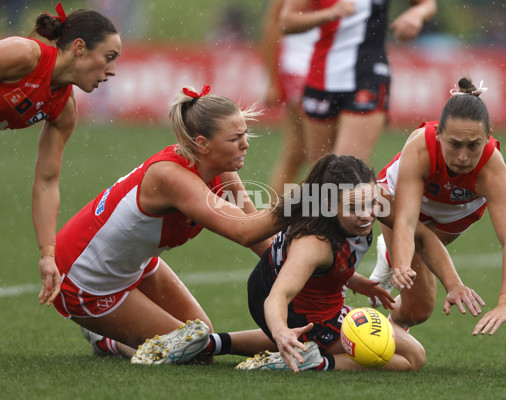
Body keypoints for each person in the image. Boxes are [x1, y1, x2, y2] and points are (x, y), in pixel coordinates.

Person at [53, 86, 284, 364]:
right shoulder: (172, 177)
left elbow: (259, 234)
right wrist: (312, 199)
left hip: (136, 263)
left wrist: (311, 279)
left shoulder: (222, 168)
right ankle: (106, 340)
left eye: (245, 134)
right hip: (85, 279)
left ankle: (116, 338)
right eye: (235, 138)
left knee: (202, 339)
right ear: (202, 144)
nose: (246, 144)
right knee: (195, 350)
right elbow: (244, 232)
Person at [231, 154, 484, 372]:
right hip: (295, 310)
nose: (366, 215)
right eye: (354, 207)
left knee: (404, 350)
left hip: (291, 288)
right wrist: (280, 331)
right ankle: (314, 361)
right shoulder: (314, 243)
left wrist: (454, 284)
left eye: (372, 203)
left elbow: (421, 235)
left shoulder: (361, 200)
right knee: (412, 358)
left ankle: (217, 343)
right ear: (329, 204)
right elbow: (278, 295)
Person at [370, 77, 506, 336]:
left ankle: (386, 324)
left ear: (487, 137)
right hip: (399, 202)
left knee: (417, 311)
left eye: (473, 145)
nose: (463, 157)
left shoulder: (492, 169)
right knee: (410, 245)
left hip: (453, 217)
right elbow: (408, 222)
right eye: (454, 144)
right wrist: (402, 264)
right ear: (439, 134)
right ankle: (388, 258)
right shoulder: (420, 147)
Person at [0, 2, 121, 307]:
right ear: (79, 48)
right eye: (108, 58)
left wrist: (47, 254)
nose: (112, 71)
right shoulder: (24, 55)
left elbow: (46, 182)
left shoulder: (63, 110)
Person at [279, 0, 437, 164]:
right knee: (322, 177)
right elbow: (286, 22)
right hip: (321, 77)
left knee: (347, 170)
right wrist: (330, 14)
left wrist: (416, 14)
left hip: (369, 76)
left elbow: (427, 4)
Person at [261, 0, 319, 195]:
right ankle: (317, 215)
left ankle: (273, 215)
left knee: (297, 151)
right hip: (301, 68)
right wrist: (272, 80)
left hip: (319, 67)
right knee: (319, 151)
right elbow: (272, 27)